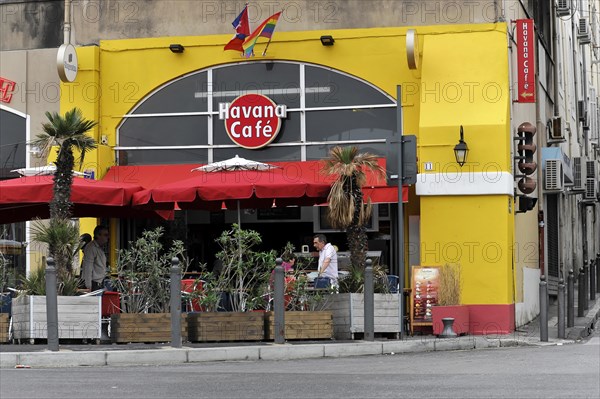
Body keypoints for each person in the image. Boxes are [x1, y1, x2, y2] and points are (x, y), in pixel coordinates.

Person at [81, 225, 109, 291]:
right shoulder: (91, 247)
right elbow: (88, 267)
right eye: (105, 235)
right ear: (98, 235)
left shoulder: (99, 248)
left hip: (99, 283)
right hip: (93, 284)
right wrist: (88, 287)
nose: (107, 237)